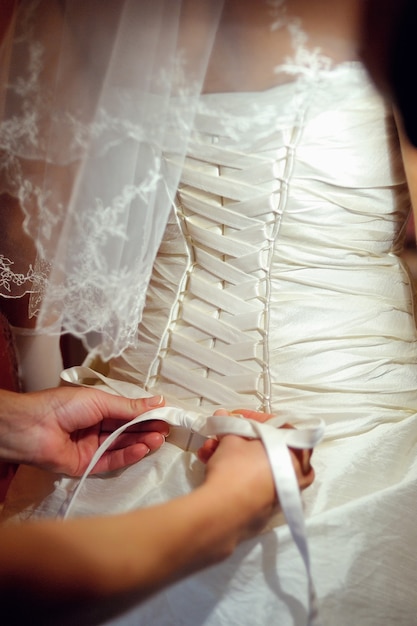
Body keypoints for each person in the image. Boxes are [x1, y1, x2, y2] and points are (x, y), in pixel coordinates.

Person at [2, 1, 417, 625]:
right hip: (358, 429)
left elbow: (22, 229)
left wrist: (41, 405)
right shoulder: (377, 13)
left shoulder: (73, 8)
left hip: (123, 432)